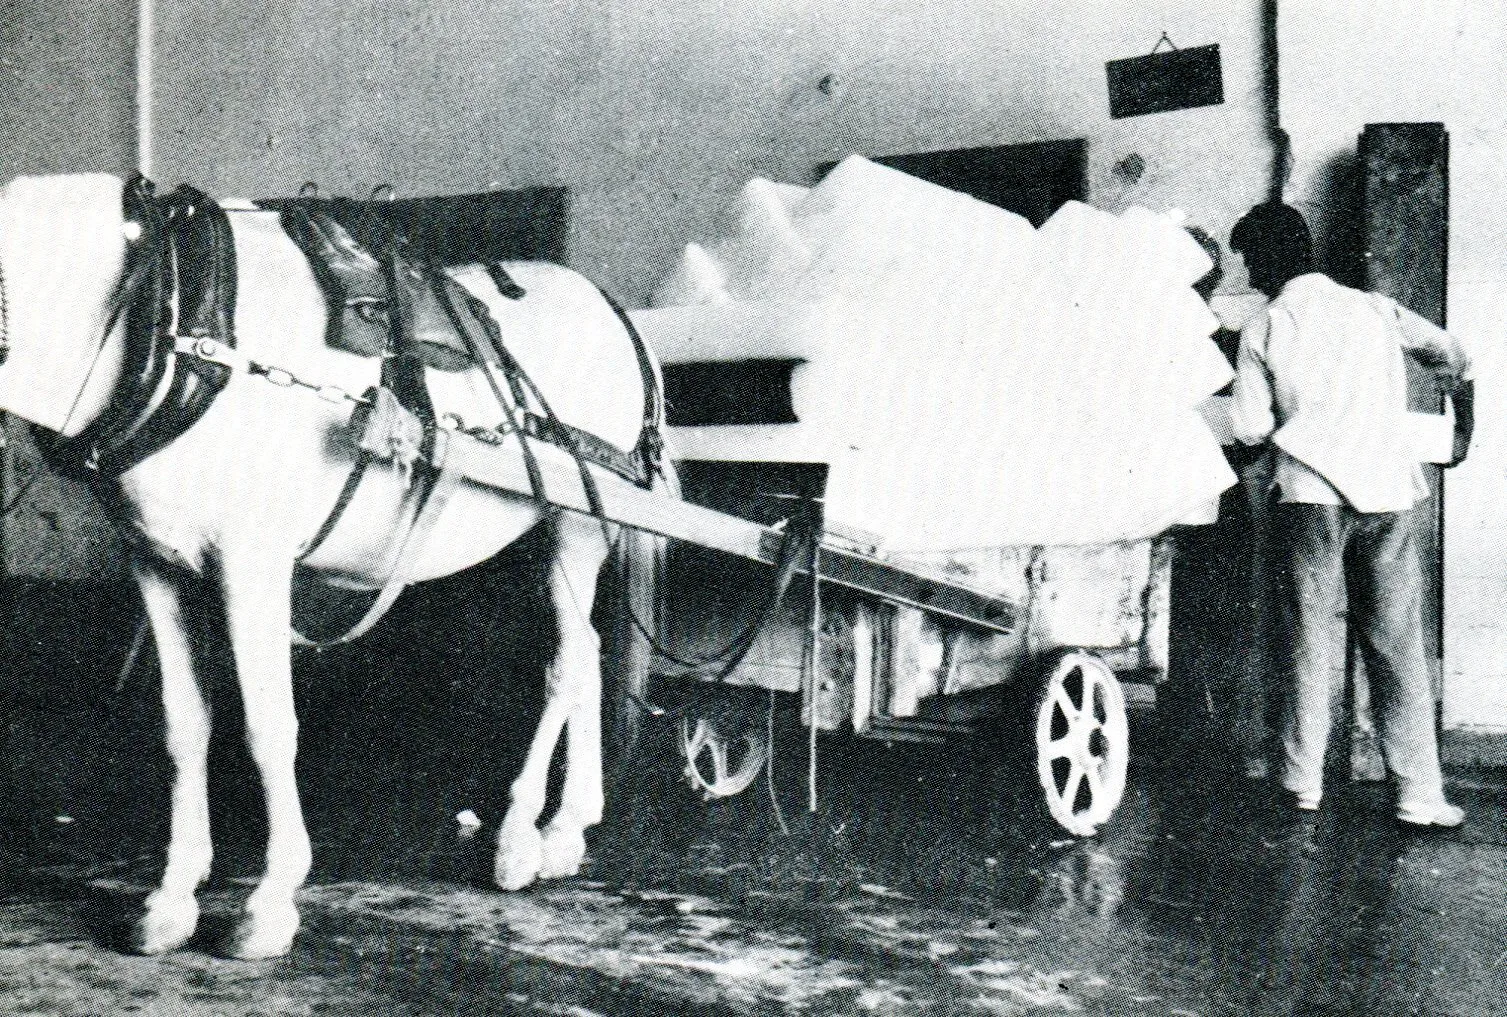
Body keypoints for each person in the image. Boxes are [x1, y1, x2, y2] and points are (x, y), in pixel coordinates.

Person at [1228, 201, 1474, 827]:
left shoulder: (1266, 325)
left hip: (1310, 498)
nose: (1248, 275)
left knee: (1307, 639)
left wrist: (1241, 442)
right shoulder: (1375, 309)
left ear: (1271, 260)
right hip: (1388, 492)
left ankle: (1301, 783)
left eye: (1250, 261)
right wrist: (1461, 426)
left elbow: (1251, 429)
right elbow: (1454, 355)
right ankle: (1420, 794)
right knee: (1397, 644)